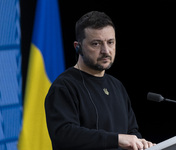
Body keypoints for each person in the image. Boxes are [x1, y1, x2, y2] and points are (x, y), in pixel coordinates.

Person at [45, 11, 155, 150]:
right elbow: (64, 134)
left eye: (110, 42)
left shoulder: (116, 86)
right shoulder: (64, 87)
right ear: (77, 47)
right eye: (96, 44)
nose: (106, 50)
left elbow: (132, 132)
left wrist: (142, 144)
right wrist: (117, 139)